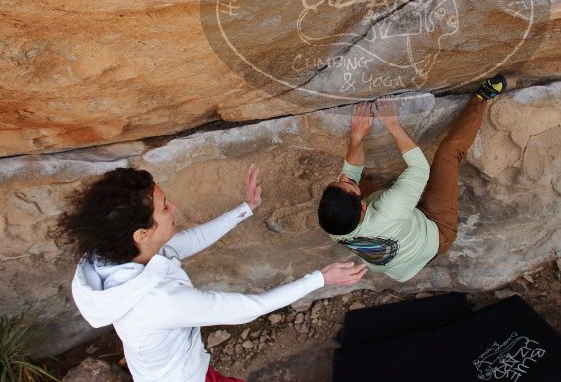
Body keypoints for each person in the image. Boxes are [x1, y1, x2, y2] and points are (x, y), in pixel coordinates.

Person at [56, 165, 366, 382]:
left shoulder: (119, 257)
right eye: (164, 208)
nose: (174, 208)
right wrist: (321, 278)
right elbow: (248, 309)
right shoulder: (160, 302)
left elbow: (184, 243)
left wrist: (245, 208)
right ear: (141, 233)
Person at [317, 74, 512, 282]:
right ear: (363, 206)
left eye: (340, 182)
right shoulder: (391, 207)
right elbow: (419, 168)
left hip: (400, 254)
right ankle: (482, 99)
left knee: (360, 177)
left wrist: (356, 137)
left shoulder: (335, 227)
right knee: (449, 154)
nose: (346, 178)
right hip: (437, 233)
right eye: (349, 185)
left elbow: (350, 173)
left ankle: (397, 204)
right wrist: (392, 124)